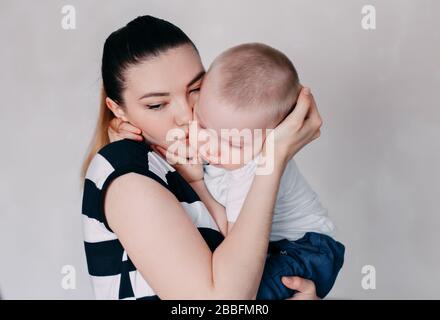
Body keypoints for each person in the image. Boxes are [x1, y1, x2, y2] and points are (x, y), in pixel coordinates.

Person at [82, 15, 322, 300]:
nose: (186, 115)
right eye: (157, 104)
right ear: (118, 109)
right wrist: (273, 157)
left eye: (196, 89)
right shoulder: (126, 170)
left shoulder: (214, 150)